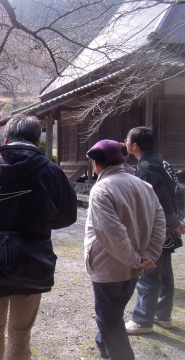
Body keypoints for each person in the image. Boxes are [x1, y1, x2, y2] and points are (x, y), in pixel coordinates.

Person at [0, 115, 77, 360]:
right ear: (38, 141)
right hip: (32, 263)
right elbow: (67, 216)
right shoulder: (51, 170)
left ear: (6, 138)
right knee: (20, 332)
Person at [84, 139, 165, 359]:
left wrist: (136, 259)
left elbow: (112, 233)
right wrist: (148, 256)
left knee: (108, 318)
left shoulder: (101, 189)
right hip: (136, 265)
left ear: (97, 164)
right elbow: (160, 223)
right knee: (114, 312)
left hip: (110, 267)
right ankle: (104, 346)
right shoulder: (144, 185)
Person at [124, 127, 185, 334]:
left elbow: (156, 200)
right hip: (169, 226)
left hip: (158, 227)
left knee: (148, 272)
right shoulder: (162, 162)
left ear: (135, 146)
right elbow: (178, 192)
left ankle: (142, 320)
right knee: (165, 273)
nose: (125, 142)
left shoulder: (146, 167)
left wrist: (173, 222)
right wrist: (178, 220)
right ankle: (163, 314)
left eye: (127, 140)